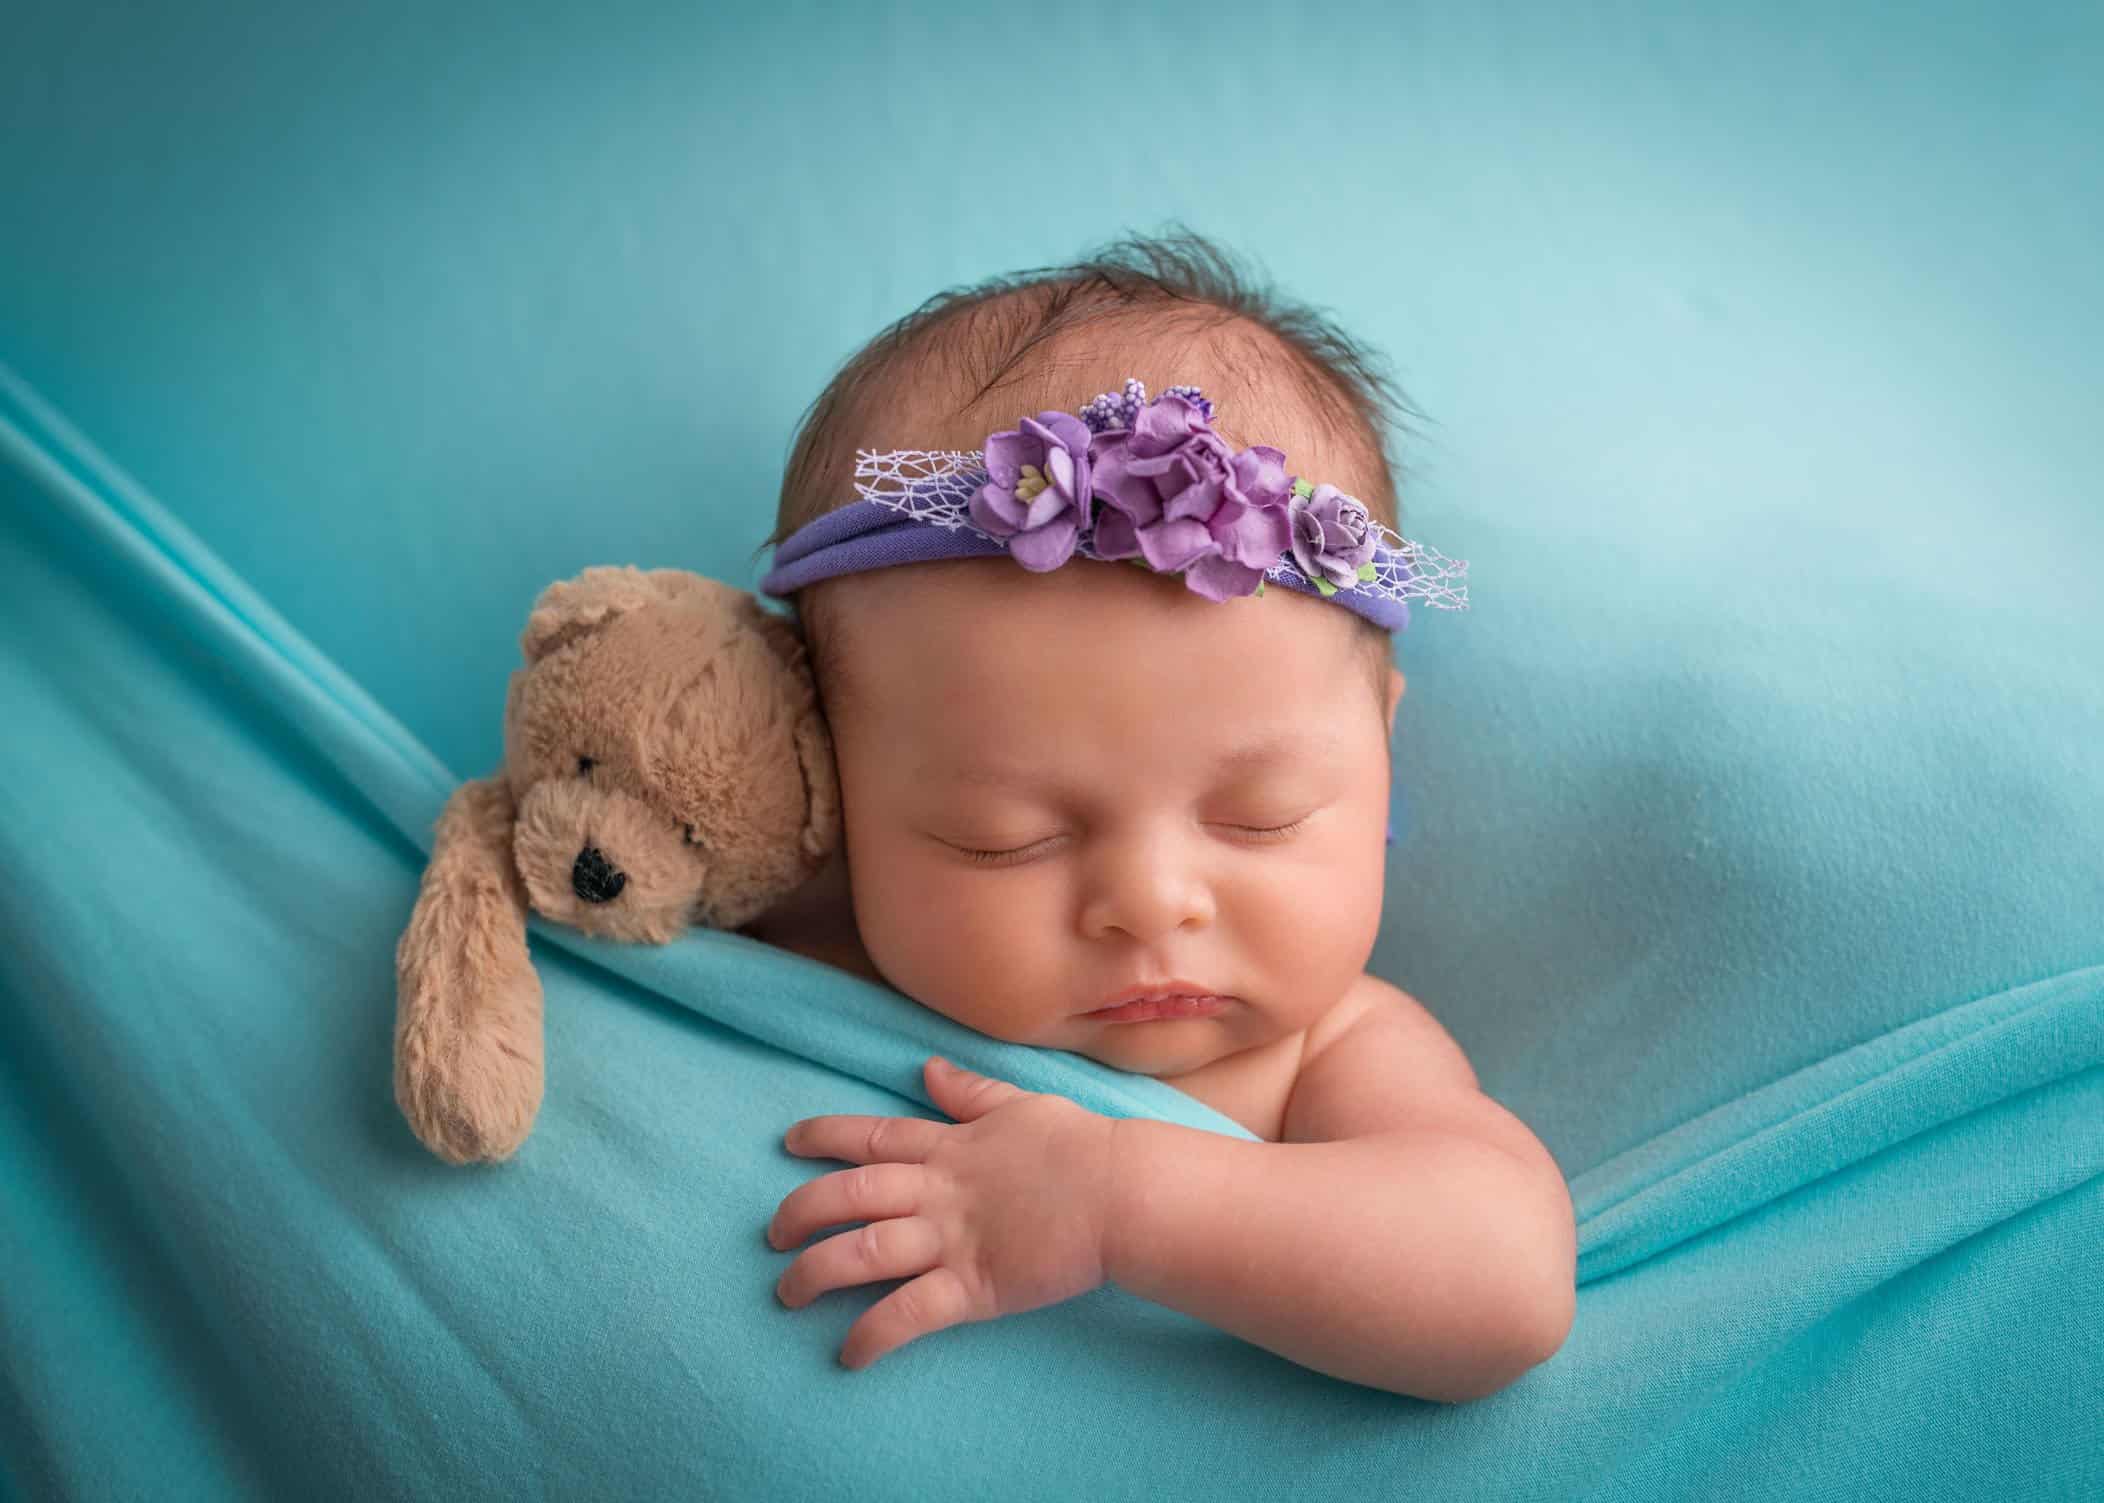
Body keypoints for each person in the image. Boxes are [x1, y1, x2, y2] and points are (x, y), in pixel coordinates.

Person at [743, 230, 1572, 1401]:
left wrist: (1115, 1200)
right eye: (1004, 837)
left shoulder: (1323, 1052)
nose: (1149, 904)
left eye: (1262, 815)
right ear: (826, 781)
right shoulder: (799, 931)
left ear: (1382, 749)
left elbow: (1505, 1284)